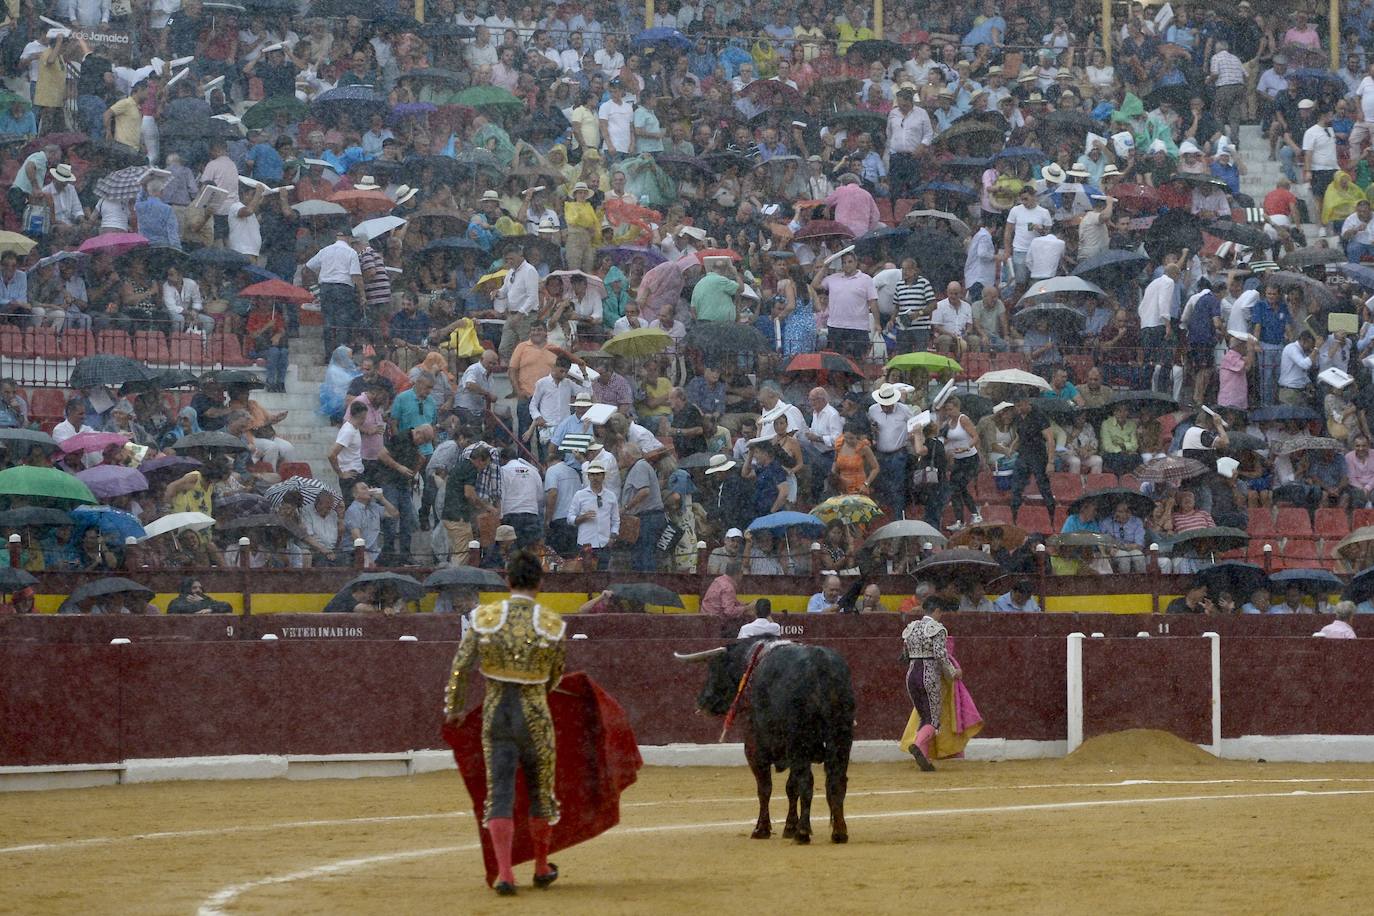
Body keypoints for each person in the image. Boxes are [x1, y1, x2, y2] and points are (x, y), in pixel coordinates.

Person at [444, 549, 565, 896]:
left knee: (500, 794)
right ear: (540, 584)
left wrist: (454, 706)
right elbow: (554, 676)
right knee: (541, 793)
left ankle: (505, 874)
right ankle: (542, 867)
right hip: (535, 715)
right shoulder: (552, 624)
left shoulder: (485, 617)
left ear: (508, 581)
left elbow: (461, 665)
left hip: (497, 713)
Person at [899, 606, 961, 771]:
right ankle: (918, 745)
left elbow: (904, 655)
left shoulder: (911, 628)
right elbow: (941, 655)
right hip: (929, 675)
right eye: (941, 612)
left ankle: (925, 760)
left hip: (911, 675)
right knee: (933, 719)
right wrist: (953, 672)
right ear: (937, 610)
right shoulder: (938, 629)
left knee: (923, 717)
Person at [167, 578, 233, 614]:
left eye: (200, 588)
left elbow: (227, 606)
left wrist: (211, 609)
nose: (198, 590)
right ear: (186, 589)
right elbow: (182, 609)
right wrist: (202, 603)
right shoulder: (176, 602)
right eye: (194, 588)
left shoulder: (204, 599)